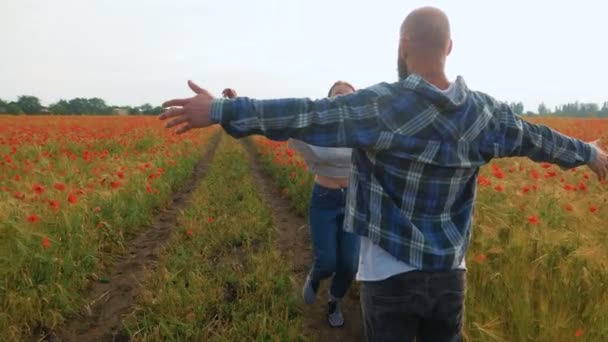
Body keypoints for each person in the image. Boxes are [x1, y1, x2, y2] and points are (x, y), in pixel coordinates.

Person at [158, 6, 608, 341]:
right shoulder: (486, 114)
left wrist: (221, 109)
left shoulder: (381, 106)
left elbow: (305, 115)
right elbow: (539, 139)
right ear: (449, 47)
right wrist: (589, 153)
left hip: (389, 276)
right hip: (451, 275)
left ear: (403, 46)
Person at [221, 82, 361, 328]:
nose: (342, 99)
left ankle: (334, 301)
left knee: (349, 264)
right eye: (337, 94)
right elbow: (276, 121)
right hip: (324, 200)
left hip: (353, 201)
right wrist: (237, 104)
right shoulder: (313, 130)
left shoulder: (363, 131)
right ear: (328, 100)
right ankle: (315, 277)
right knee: (327, 261)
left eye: (349, 96)